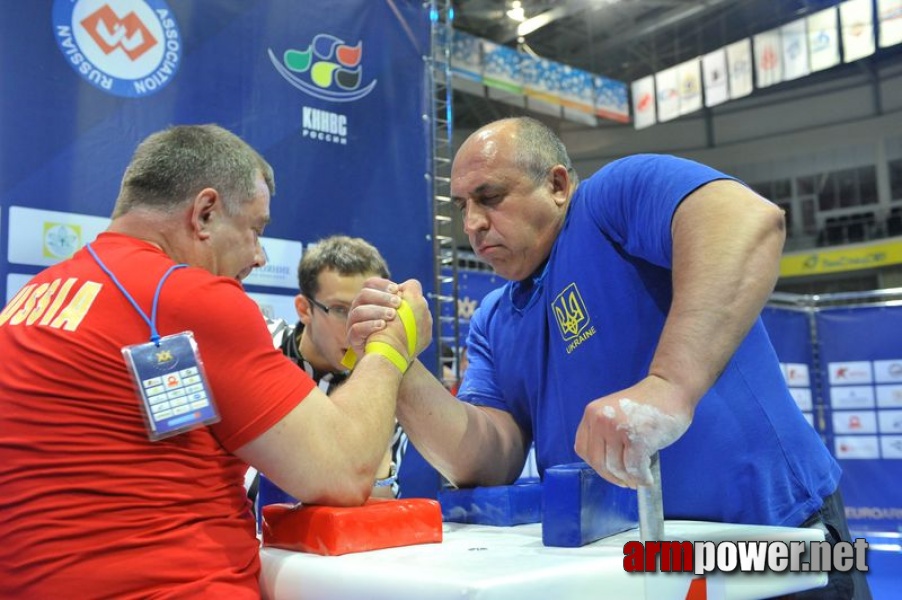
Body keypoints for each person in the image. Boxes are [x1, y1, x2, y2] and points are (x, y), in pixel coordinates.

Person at [353, 117, 869, 599]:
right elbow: (487, 460)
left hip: (771, 534)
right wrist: (396, 360)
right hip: (632, 563)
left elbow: (746, 219)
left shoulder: (612, 196)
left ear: (557, 186)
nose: (472, 223)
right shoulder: (494, 317)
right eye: (461, 206)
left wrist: (668, 385)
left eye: (490, 197)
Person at [0, 124, 431, 599]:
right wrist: (391, 343)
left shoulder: (33, 296)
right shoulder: (188, 296)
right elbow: (343, 473)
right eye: (255, 229)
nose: (260, 255)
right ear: (204, 213)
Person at [263, 234, 400, 499]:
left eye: (369, 309)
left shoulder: (386, 384)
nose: (356, 326)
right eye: (340, 310)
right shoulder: (260, 346)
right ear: (304, 309)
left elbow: (378, 501)